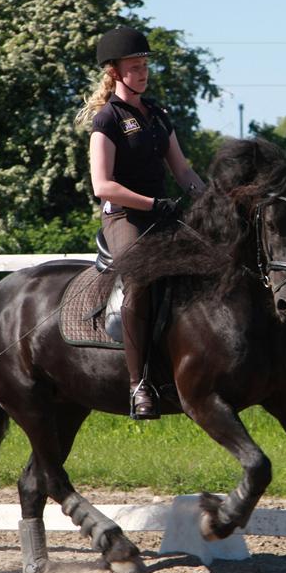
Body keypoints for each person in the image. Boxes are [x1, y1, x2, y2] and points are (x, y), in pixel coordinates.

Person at [75, 26, 206, 420]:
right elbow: (104, 186)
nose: (143, 73)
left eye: (145, 65)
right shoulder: (107, 120)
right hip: (125, 217)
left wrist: (212, 198)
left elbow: (183, 171)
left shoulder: (159, 116)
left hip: (164, 211)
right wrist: (151, 203)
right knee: (140, 280)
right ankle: (138, 385)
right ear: (115, 72)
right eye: (135, 67)